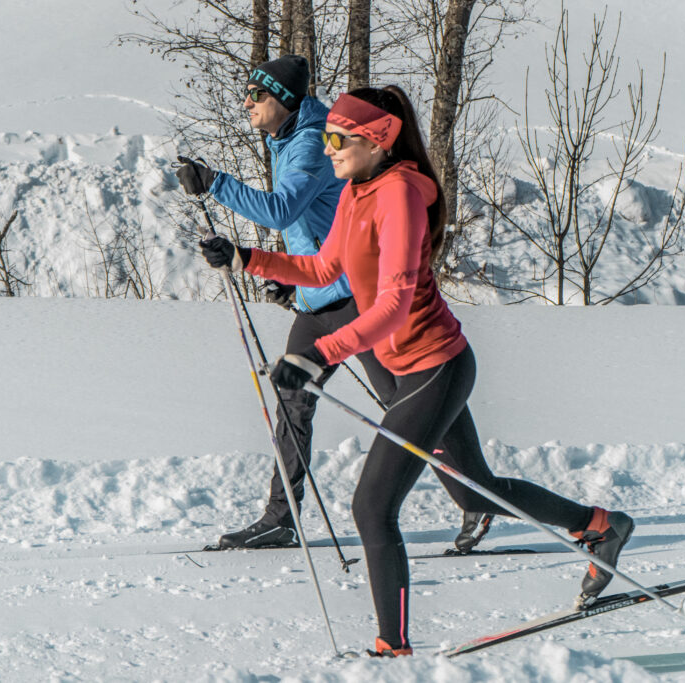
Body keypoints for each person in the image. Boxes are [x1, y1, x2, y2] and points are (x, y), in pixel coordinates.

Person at [199, 85, 634, 656]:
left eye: (338, 137)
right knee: (475, 492)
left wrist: (319, 352)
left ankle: (392, 648)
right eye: (327, 136)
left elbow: (393, 305)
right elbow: (324, 265)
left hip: (436, 368)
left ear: (377, 139)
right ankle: (599, 524)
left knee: (372, 506)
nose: (327, 147)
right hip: (410, 367)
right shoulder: (359, 188)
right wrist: (248, 258)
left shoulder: (400, 193)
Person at [177, 56, 485, 552]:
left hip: (354, 300)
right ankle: (281, 517)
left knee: (407, 406)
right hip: (321, 296)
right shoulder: (294, 139)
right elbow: (313, 241)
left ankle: (477, 498)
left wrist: (217, 183)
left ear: (283, 98)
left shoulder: (316, 143)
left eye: (257, 94)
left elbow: (283, 211)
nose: (248, 102)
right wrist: (269, 272)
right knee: (293, 402)